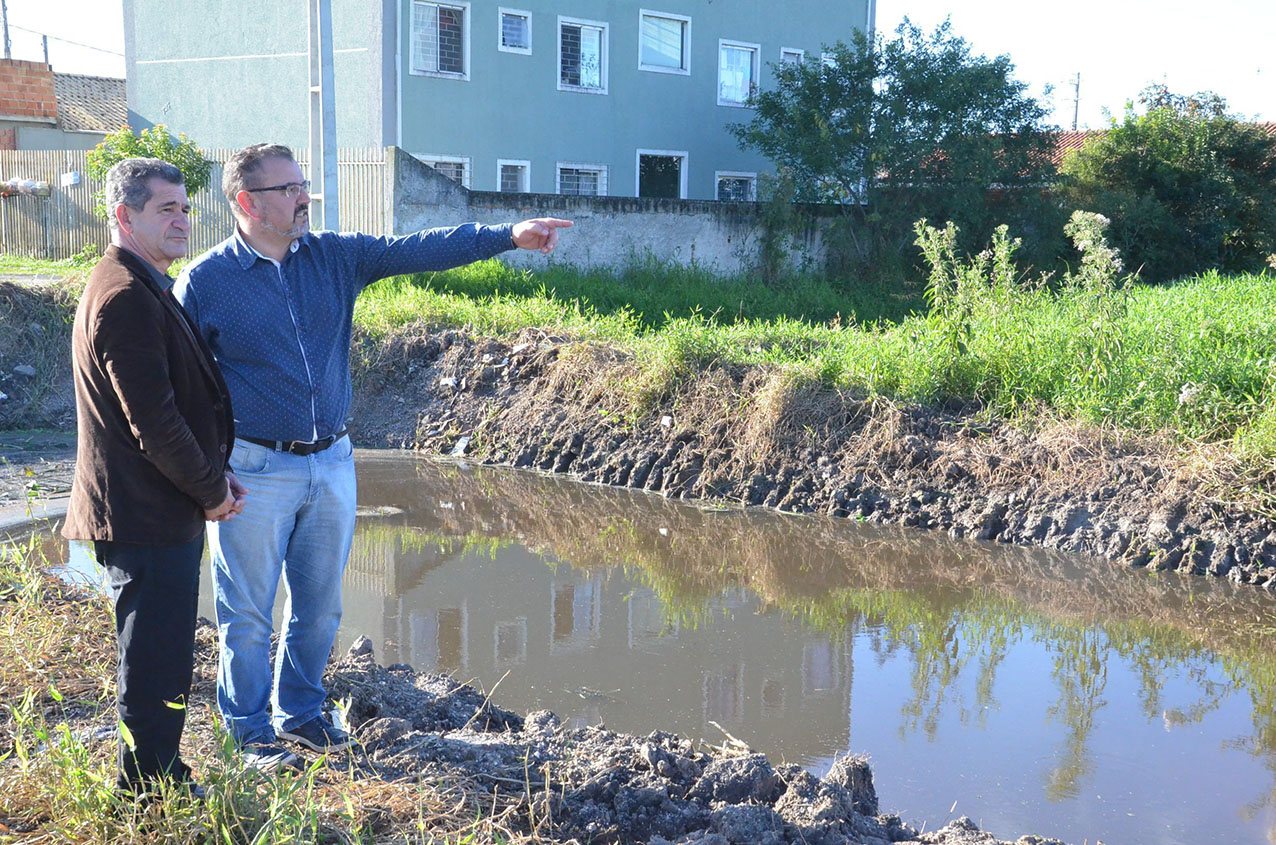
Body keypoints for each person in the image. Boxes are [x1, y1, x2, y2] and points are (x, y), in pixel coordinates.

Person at [175, 143, 571, 770]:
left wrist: (508, 237)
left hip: (332, 462)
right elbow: (180, 385)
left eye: (303, 184)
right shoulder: (205, 282)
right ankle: (249, 735)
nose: (303, 197)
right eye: (288, 189)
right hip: (252, 469)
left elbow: (417, 249)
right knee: (246, 613)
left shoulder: (333, 257)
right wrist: (207, 471)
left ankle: (300, 716)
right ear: (248, 202)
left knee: (319, 607)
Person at [62, 157, 244, 796]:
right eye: (166, 209)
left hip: (157, 507)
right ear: (124, 215)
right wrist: (212, 491)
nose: (183, 221)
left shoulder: (142, 283)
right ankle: (145, 791)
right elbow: (156, 424)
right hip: (144, 513)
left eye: (186, 208)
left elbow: (174, 409)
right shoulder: (125, 296)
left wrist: (214, 475)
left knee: (160, 651)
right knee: (154, 658)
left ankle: (155, 776)